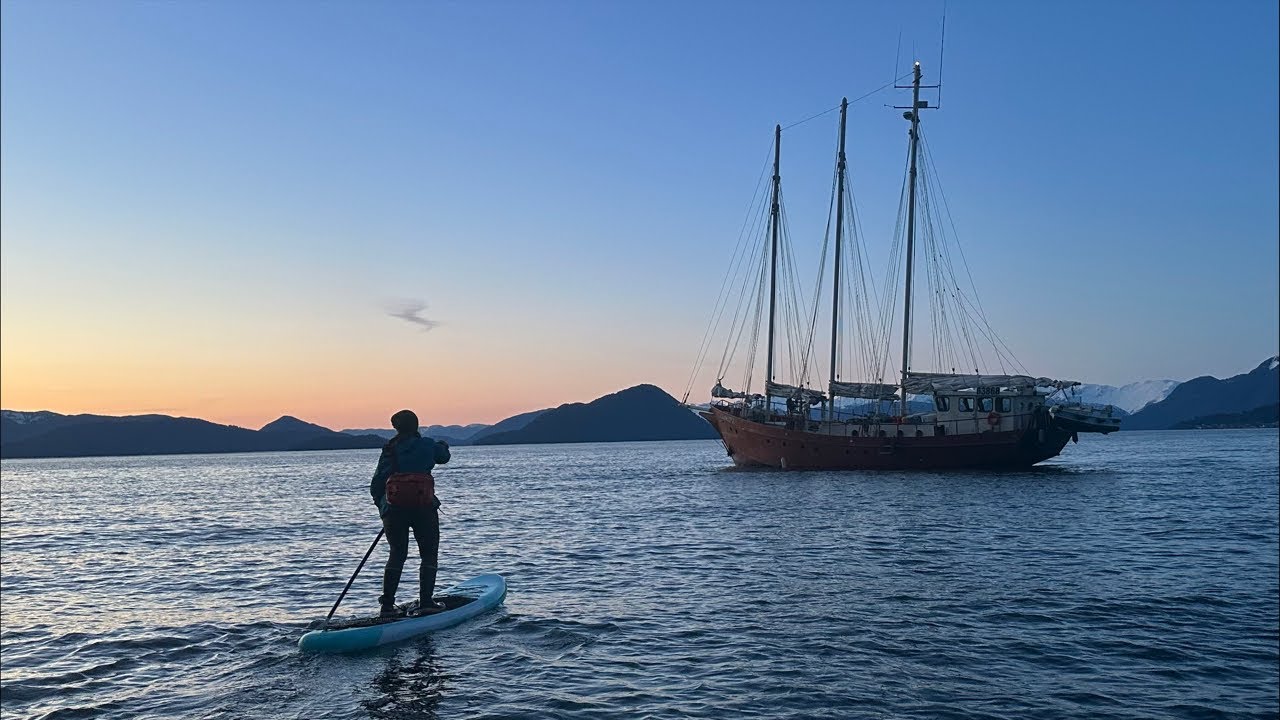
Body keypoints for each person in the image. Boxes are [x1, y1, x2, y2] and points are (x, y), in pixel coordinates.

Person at [369, 409, 451, 618]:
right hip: (424, 508)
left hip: (393, 510)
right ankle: (426, 602)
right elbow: (444, 457)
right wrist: (443, 445)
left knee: (397, 554)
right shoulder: (427, 445)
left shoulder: (389, 449)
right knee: (429, 553)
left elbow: (377, 483)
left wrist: (383, 508)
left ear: (396, 427)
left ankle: (387, 606)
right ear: (416, 425)